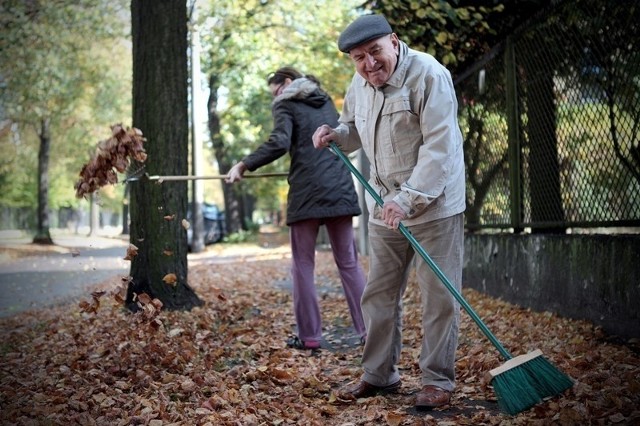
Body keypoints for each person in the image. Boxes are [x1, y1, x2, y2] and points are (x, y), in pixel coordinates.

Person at [312, 14, 466, 409]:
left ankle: (437, 381)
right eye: (359, 57)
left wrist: (409, 198)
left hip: (433, 207)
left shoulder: (429, 75)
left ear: (394, 42)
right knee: (377, 294)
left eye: (375, 52)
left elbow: (439, 147)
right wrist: (335, 135)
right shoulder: (360, 84)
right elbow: (353, 130)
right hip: (384, 208)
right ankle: (379, 375)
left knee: (438, 298)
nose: (369, 64)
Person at [226, 66, 367, 350]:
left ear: (287, 83)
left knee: (303, 264)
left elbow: (279, 142)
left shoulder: (285, 104)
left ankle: (310, 336)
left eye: (276, 90)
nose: (275, 97)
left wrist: (243, 164)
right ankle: (370, 331)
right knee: (349, 262)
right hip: (339, 187)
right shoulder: (325, 100)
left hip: (306, 193)